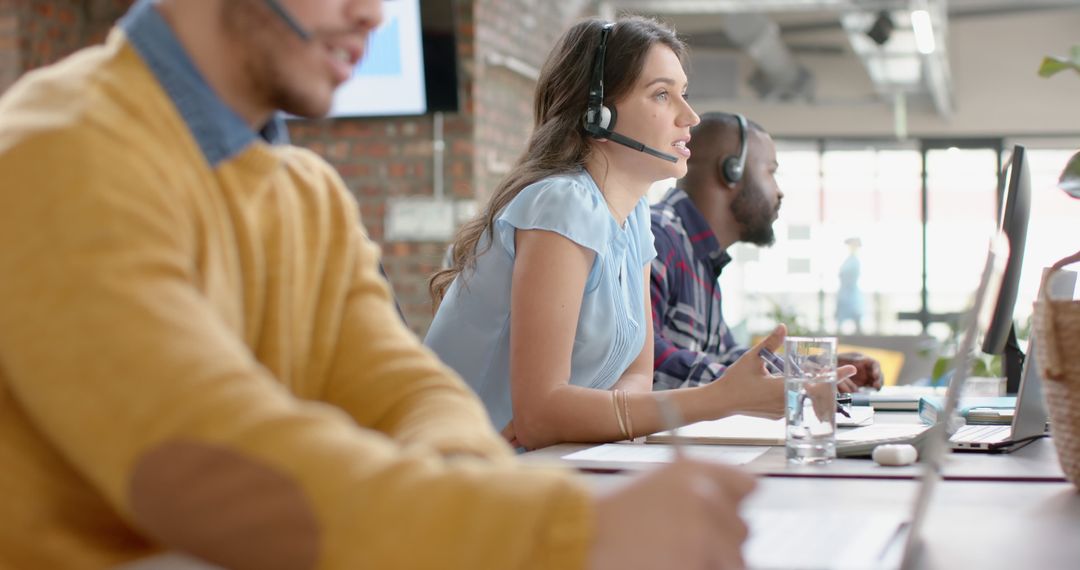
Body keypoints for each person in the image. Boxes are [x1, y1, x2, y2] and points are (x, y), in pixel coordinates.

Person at [0, 2, 757, 569]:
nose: (372, 14)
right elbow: (202, 460)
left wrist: (485, 501)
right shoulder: (59, 151)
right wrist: (559, 531)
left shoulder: (303, 192)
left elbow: (413, 395)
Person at [426, 17, 850, 452]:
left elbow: (635, 375)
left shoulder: (633, 219)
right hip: (455, 477)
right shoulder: (561, 204)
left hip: (537, 467)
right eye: (662, 95)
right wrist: (717, 400)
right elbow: (540, 418)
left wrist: (580, 415)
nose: (690, 116)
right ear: (598, 113)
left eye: (683, 94)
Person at [651, 112, 882, 392]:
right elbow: (648, 359)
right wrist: (786, 384)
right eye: (771, 172)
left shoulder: (701, 257)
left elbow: (726, 358)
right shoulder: (657, 238)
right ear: (731, 171)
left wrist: (815, 370)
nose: (779, 192)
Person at [836, 236, 865, 333]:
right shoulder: (848, 260)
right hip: (845, 292)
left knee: (856, 313)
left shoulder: (855, 261)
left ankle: (859, 334)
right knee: (842, 315)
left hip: (851, 292)